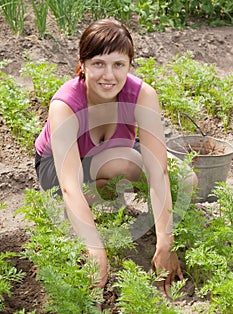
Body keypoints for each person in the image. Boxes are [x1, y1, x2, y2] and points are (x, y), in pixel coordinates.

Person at [35, 18, 195, 296]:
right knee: (117, 165)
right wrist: (97, 252)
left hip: (114, 152)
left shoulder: (142, 95)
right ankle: (77, 217)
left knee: (187, 178)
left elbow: (159, 172)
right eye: (99, 63)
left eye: (118, 65)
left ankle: (146, 225)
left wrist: (165, 242)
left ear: (129, 65)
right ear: (82, 63)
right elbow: (69, 185)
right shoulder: (65, 105)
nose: (109, 75)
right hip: (59, 169)